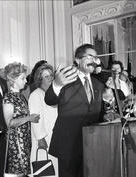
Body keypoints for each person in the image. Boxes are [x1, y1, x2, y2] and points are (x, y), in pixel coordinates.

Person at [44, 44, 104, 177]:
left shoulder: (98, 85)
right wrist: (57, 84)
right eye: (90, 57)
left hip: (91, 144)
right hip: (68, 144)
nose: (93, 61)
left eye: (96, 58)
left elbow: (98, 115)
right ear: (77, 60)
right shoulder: (66, 78)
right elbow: (49, 100)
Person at [3, 62, 40, 176]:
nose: (26, 81)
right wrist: (29, 118)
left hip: (25, 140)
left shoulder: (21, 96)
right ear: (13, 80)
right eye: (22, 78)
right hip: (16, 142)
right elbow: (9, 123)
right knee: (18, 173)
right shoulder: (9, 97)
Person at [28, 63, 58, 176]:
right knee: (44, 170)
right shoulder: (36, 95)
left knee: (55, 168)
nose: (50, 78)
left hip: (55, 135)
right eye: (46, 76)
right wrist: (40, 138)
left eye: (51, 75)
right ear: (40, 79)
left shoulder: (55, 93)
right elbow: (35, 118)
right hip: (44, 138)